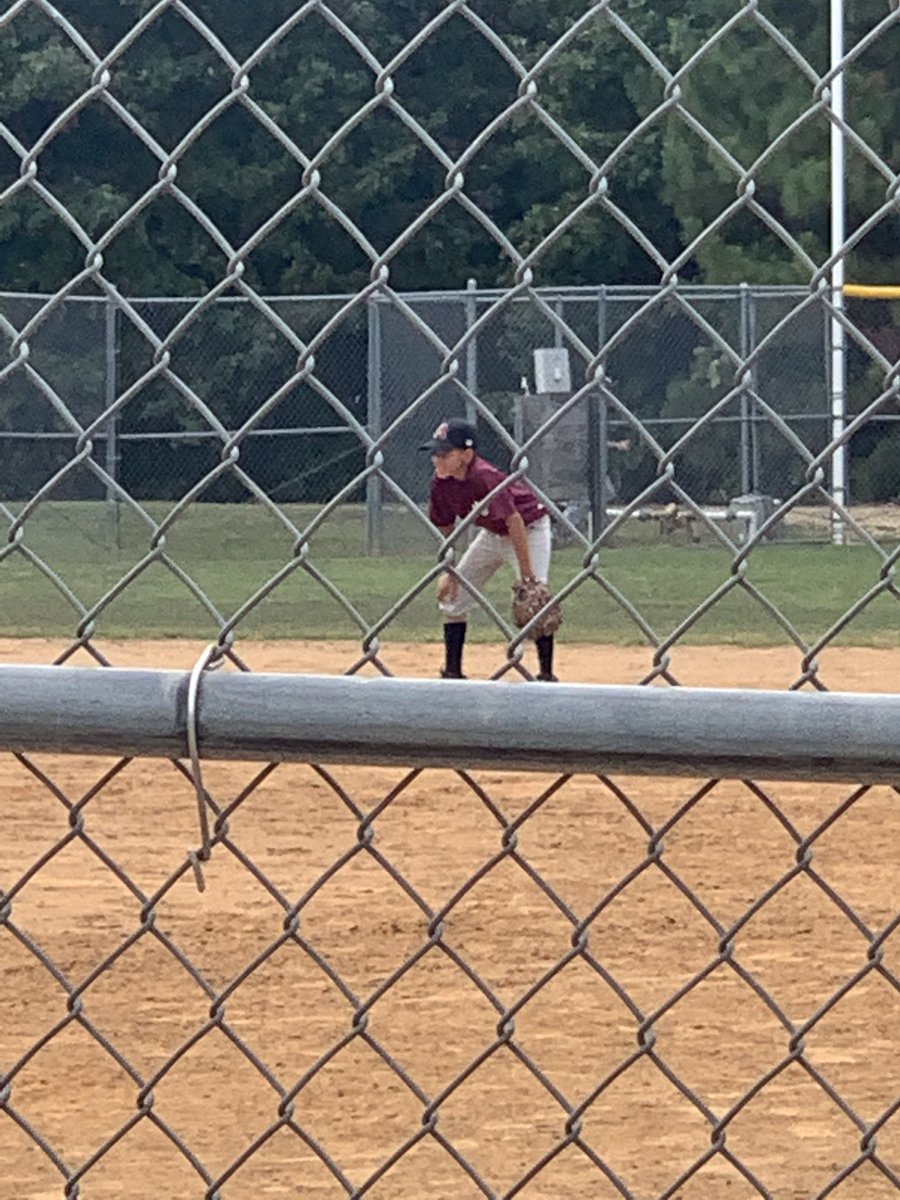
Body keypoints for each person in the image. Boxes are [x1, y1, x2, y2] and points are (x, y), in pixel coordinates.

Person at [422, 417, 558, 682]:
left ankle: (546, 674)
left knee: (536, 599)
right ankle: (453, 672)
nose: (437, 459)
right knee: (453, 598)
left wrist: (527, 575)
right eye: (434, 453)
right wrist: (450, 571)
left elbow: (514, 519)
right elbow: (448, 530)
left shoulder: (484, 476)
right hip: (492, 533)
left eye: (444, 453)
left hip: (529, 529)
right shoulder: (441, 483)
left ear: (467, 454)